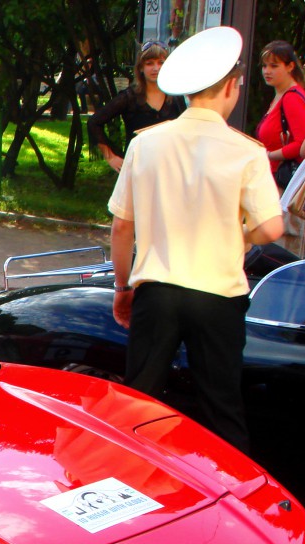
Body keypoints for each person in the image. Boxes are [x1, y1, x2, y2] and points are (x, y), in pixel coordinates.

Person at [108, 26, 283, 454]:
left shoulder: (146, 144)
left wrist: (122, 286)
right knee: (222, 408)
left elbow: (122, 226)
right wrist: (239, 237)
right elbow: (272, 229)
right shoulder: (247, 151)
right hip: (218, 297)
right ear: (230, 87)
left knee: (139, 405)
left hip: (158, 291)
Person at [87, 42, 182, 173]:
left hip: (170, 170)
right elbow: (94, 122)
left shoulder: (176, 98)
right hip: (136, 169)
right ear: (141, 68)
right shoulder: (129, 97)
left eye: (161, 62)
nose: (156, 68)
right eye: (150, 63)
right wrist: (111, 157)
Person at [254, 41, 305, 190]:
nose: (267, 71)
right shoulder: (281, 95)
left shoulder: (292, 98)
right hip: (274, 180)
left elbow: (303, 144)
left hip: (284, 184)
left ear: (290, 67)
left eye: (274, 66)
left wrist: (268, 155)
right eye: (264, 66)